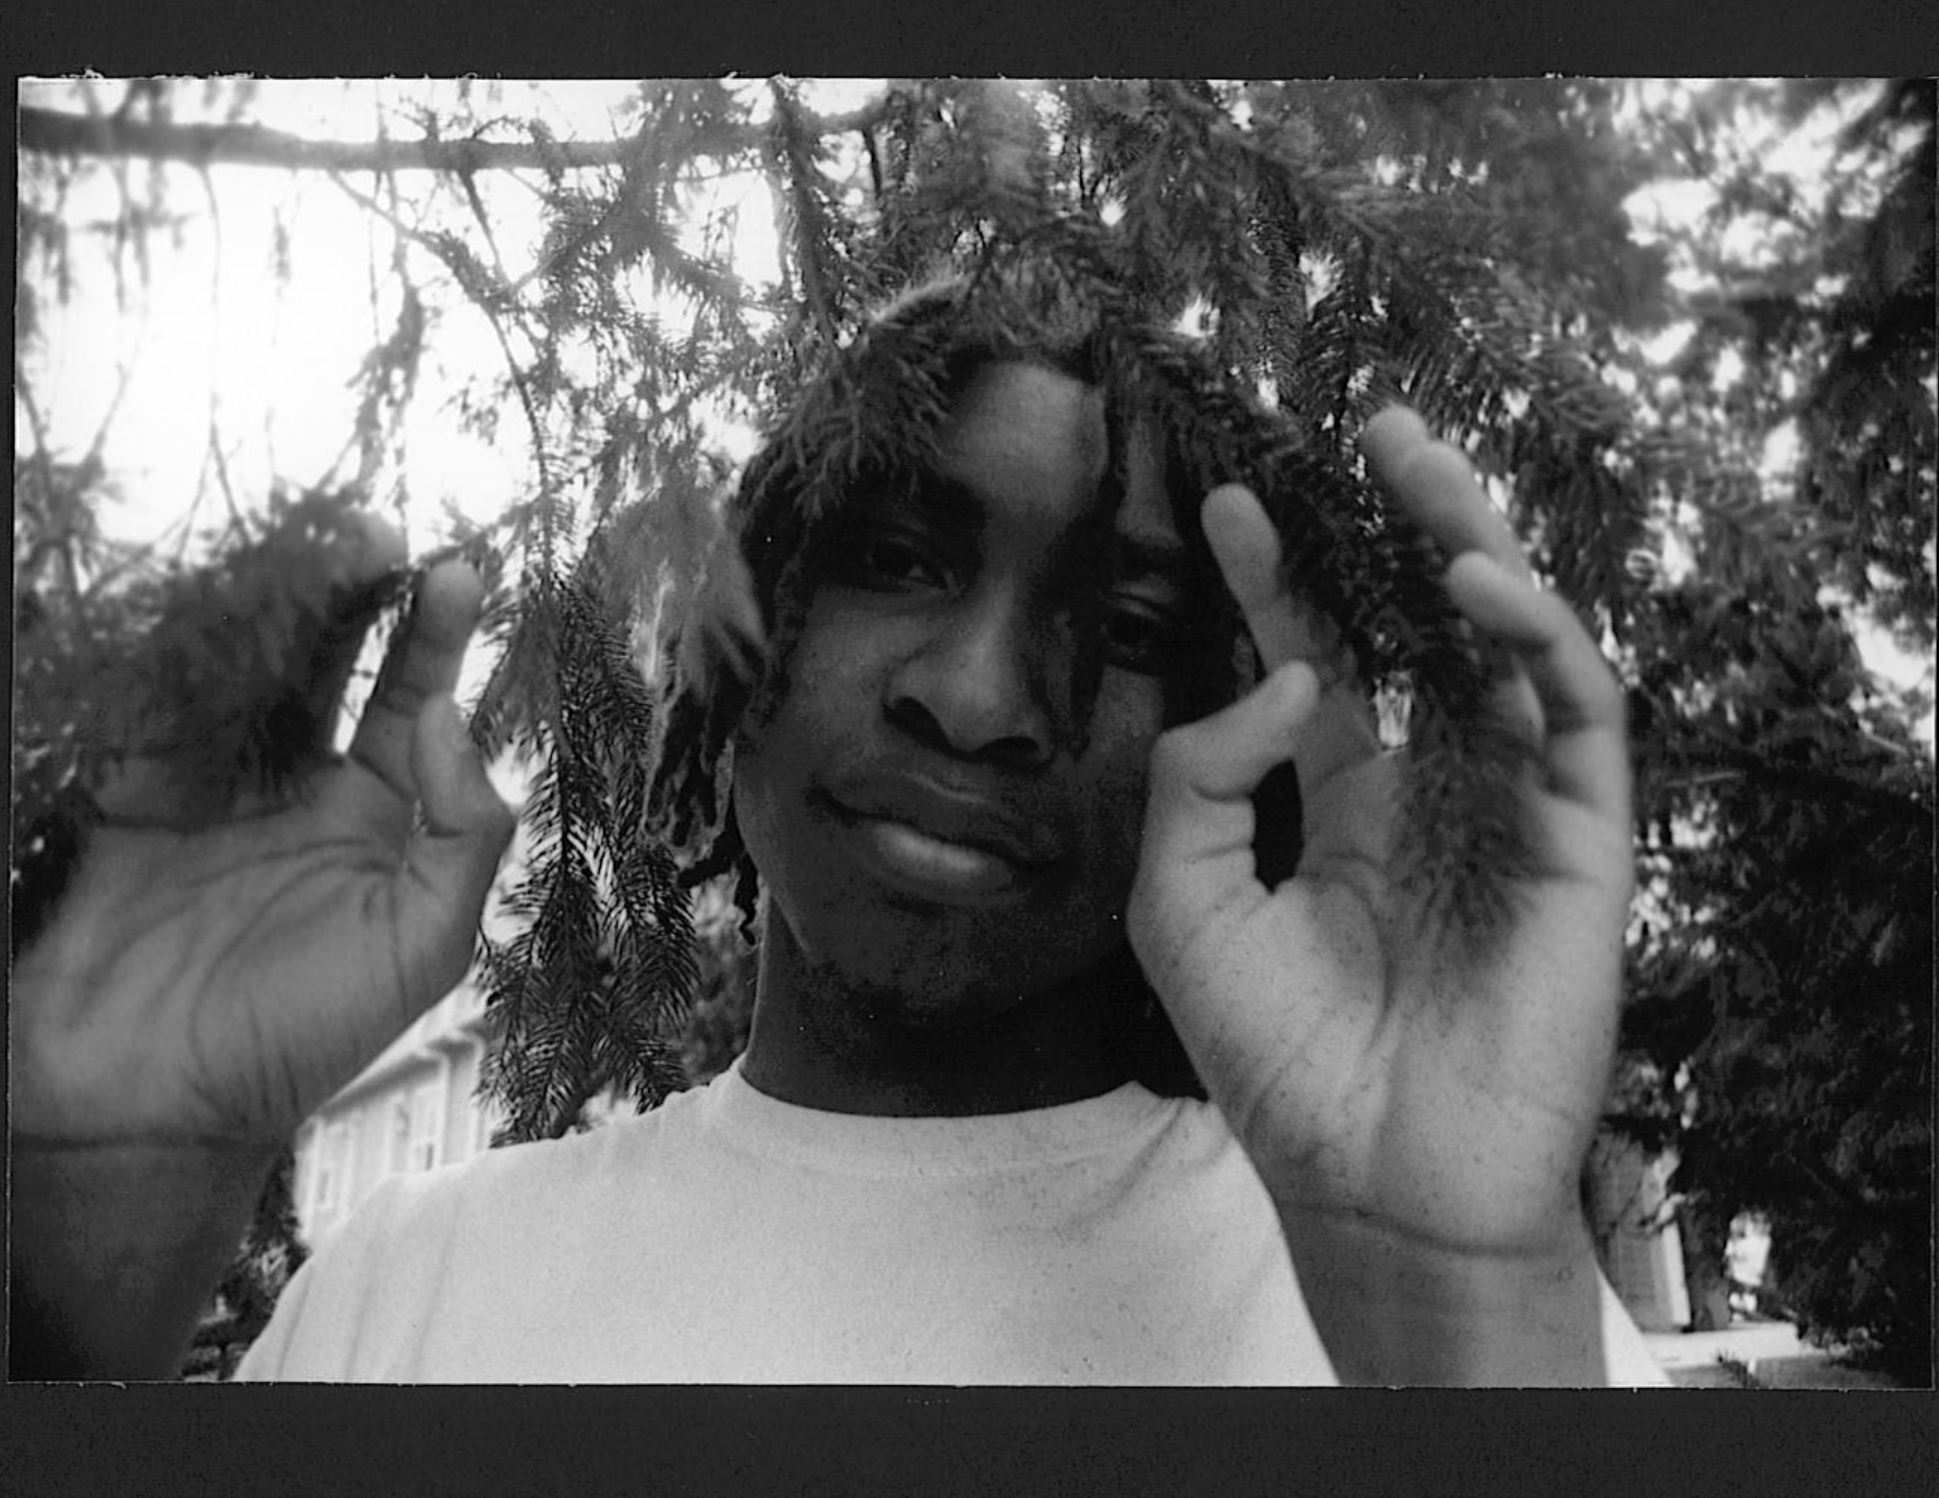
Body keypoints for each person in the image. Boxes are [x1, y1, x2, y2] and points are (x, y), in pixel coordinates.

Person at [10, 266, 1661, 1384]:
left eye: (1126, 624)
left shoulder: (1429, 1288)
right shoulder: (406, 1294)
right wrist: (82, 1251)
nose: (983, 697)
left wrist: (1464, 1305)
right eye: (895, 558)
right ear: (731, 658)